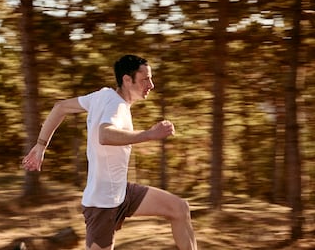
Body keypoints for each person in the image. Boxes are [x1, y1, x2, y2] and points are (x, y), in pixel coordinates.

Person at [22, 55, 198, 250]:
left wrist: (40, 145)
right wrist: (149, 134)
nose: (151, 84)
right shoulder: (116, 104)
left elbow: (60, 107)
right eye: (145, 79)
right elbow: (105, 135)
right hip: (102, 203)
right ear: (126, 79)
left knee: (180, 208)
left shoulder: (102, 96)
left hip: (122, 192)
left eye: (150, 78)